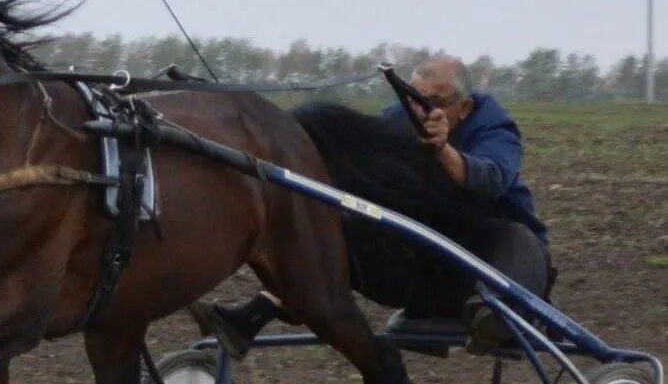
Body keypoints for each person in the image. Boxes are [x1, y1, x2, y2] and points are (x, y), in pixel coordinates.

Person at [191, 55, 552, 358]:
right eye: (413, 97)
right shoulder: (396, 119)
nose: (419, 110)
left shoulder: (495, 129)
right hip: (430, 266)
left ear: (465, 107)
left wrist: (445, 152)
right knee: (336, 232)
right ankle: (248, 319)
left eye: (433, 102)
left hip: (493, 264)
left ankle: (498, 317)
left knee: (517, 236)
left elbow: (491, 179)